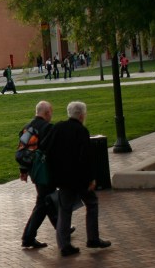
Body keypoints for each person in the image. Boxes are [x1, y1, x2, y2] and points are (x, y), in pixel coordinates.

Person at [42, 101, 110, 256]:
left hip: (62, 178)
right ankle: (93, 238)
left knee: (65, 209)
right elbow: (85, 158)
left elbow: (45, 147)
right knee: (92, 203)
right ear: (81, 115)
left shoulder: (58, 127)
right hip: (79, 178)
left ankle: (64, 245)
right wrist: (91, 179)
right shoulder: (81, 131)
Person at [19, 101, 59, 249]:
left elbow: (24, 150)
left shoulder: (27, 127)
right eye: (51, 113)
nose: (51, 116)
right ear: (47, 113)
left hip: (34, 171)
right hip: (45, 172)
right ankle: (28, 237)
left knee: (45, 201)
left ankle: (61, 227)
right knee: (44, 203)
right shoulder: (47, 128)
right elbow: (52, 151)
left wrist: (23, 170)